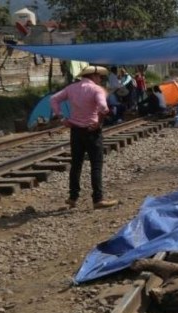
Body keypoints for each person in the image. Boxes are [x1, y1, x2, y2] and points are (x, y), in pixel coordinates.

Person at [51, 65, 118, 209]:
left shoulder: (71, 88)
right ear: (93, 76)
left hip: (75, 131)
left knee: (76, 165)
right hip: (92, 131)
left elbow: (53, 99)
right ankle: (97, 199)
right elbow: (103, 107)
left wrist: (62, 117)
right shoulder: (96, 89)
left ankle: (73, 197)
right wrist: (102, 119)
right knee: (96, 165)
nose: (100, 79)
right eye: (99, 76)